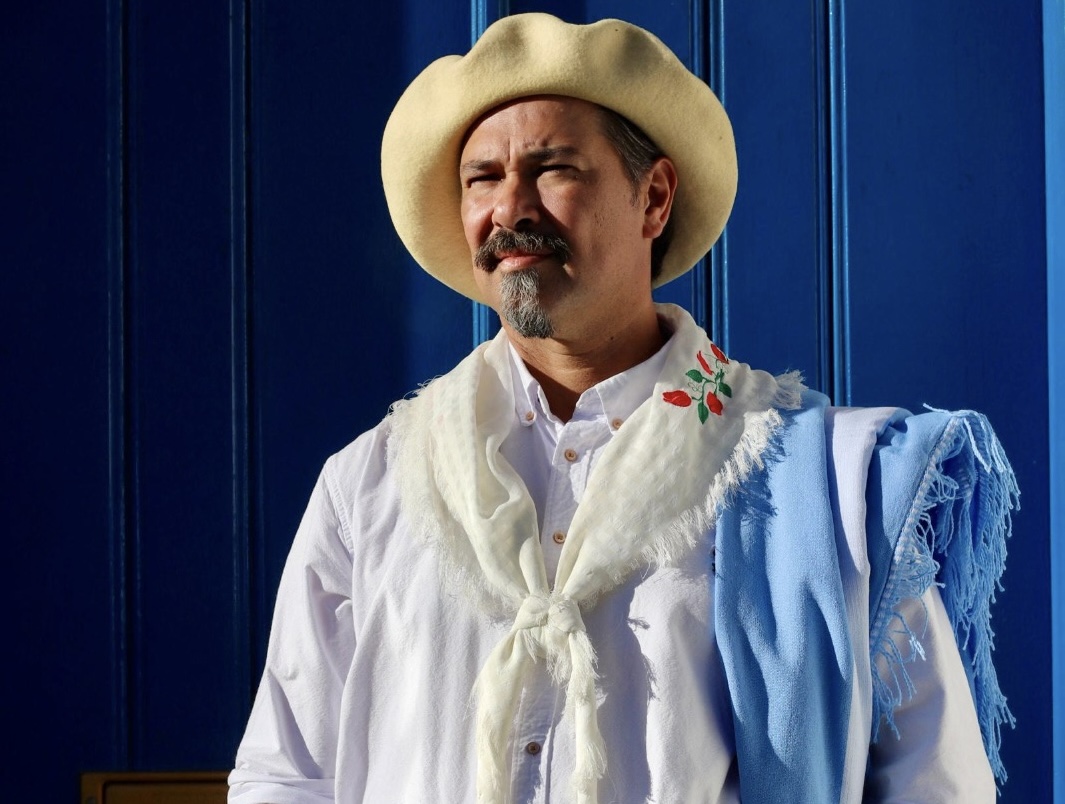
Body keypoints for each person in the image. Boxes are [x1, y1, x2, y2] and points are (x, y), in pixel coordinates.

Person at [229, 14, 1017, 804]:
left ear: (654, 197)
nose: (510, 209)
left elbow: (933, 785)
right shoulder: (372, 484)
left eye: (553, 167)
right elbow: (287, 776)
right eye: (481, 178)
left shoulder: (834, 492)